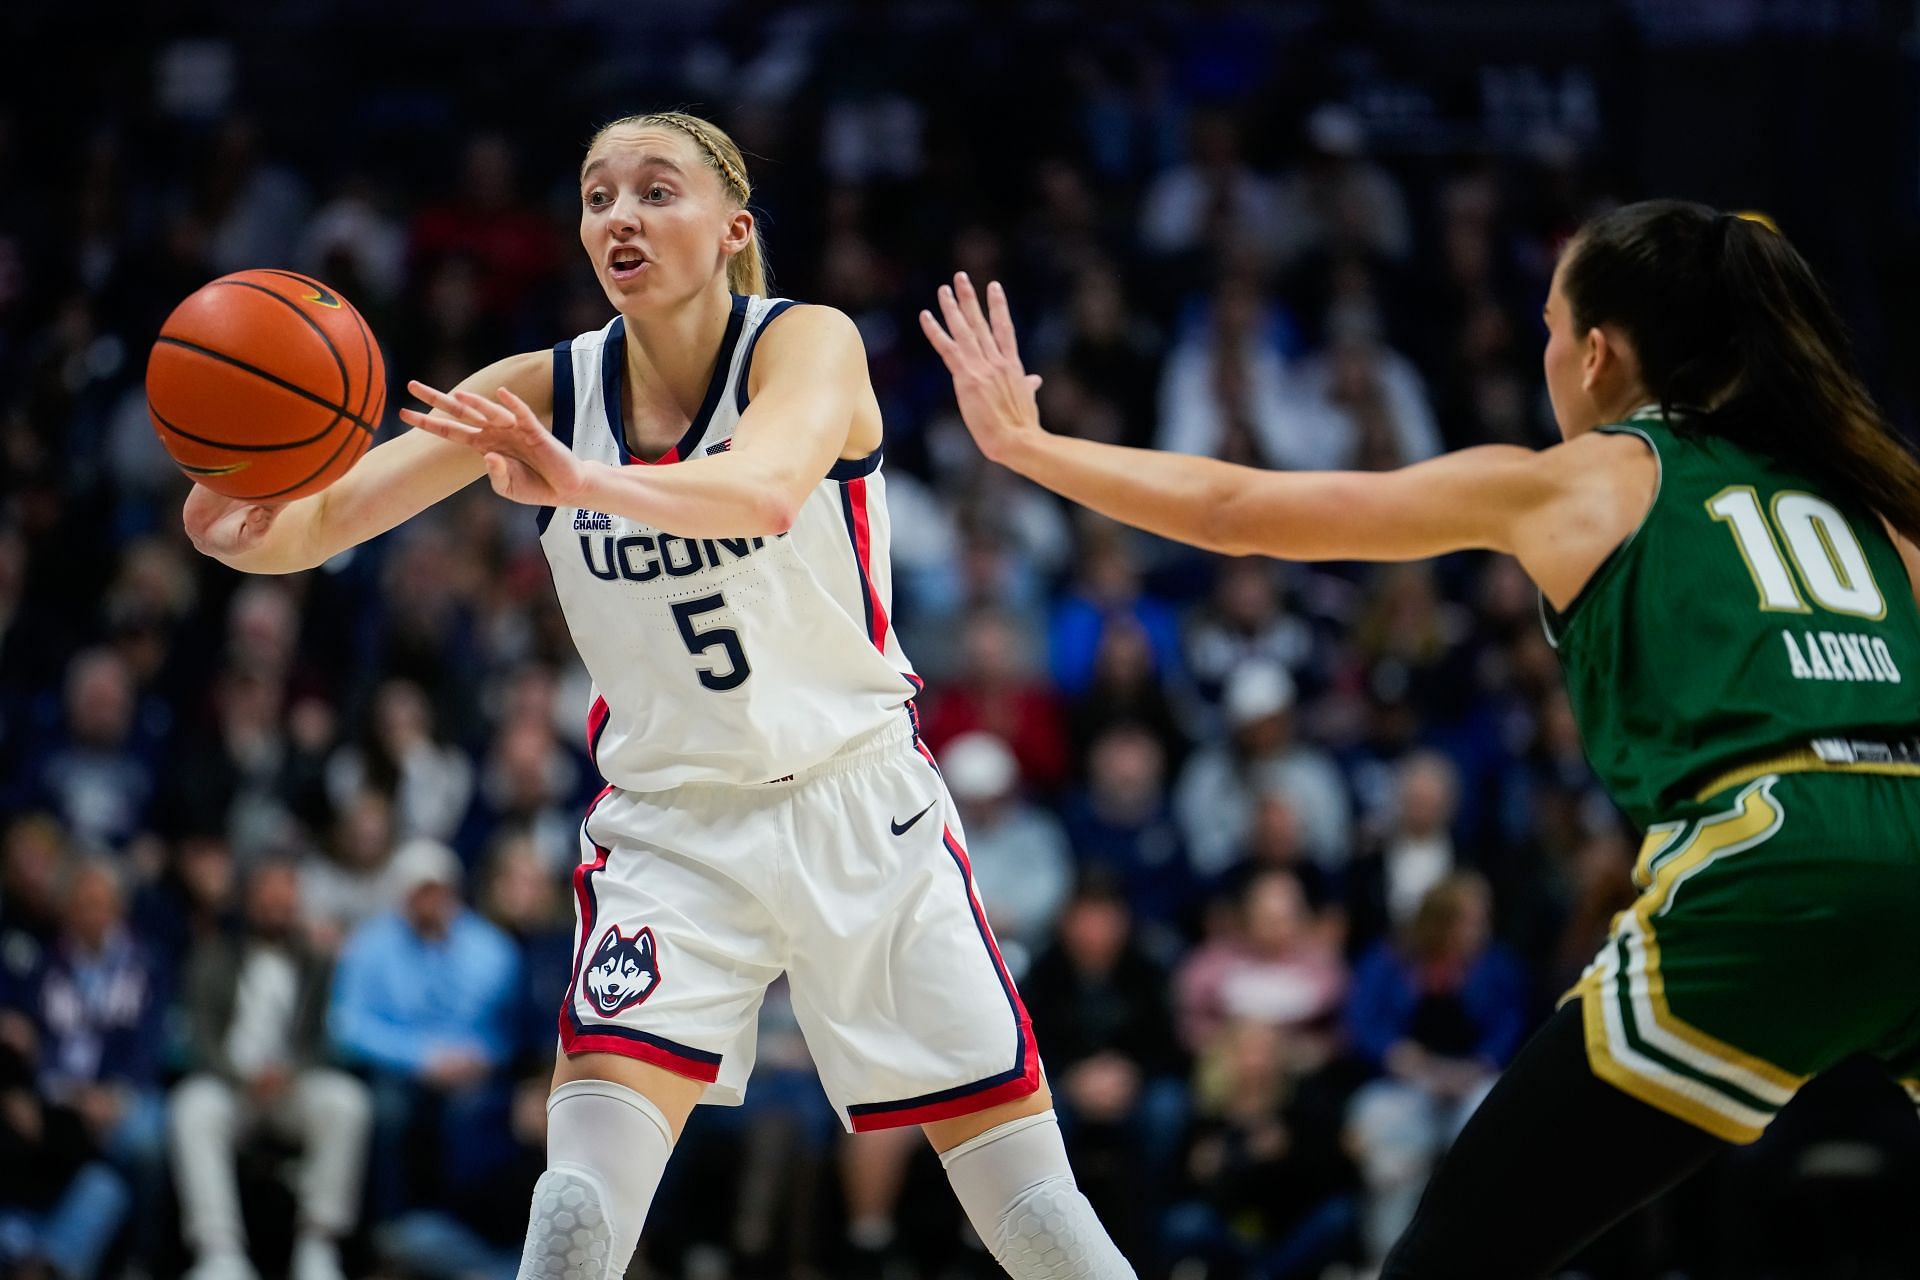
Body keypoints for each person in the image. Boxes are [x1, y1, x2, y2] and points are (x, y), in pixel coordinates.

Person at [184, 111, 1132, 1280]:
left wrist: (586, 481)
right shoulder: (542, 388)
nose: (618, 215)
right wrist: (237, 518)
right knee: (576, 1206)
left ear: (734, 229)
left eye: (654, 190)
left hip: (858, 802)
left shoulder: (807, 344)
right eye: (596, 196)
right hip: (674, 829)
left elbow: (770, 489)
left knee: (1032, 1211)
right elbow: (320, 521)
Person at [920, 199, 1920, 1276]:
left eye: (1547, 328)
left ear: (1596, 352)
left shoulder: (1591, 476)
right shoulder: (1874, 495)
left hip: (1774, 858)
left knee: (1452, 1257)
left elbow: (1235, 506)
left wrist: (1029, 444)